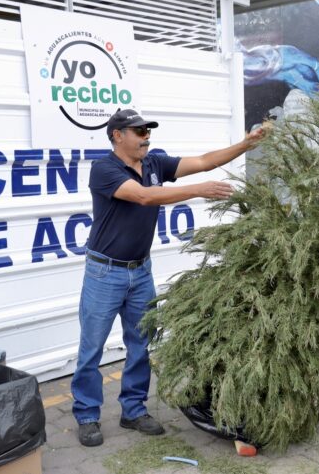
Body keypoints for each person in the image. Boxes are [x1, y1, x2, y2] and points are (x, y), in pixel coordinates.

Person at [72, 109, 267, 447]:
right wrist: (198, 191)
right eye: (138, 131)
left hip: (140, 272)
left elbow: (205, 161)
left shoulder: (154, 164)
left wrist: (246, 145)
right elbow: (144, 196)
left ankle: (133, 410)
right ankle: (87, 415)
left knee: (142, 345)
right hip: (105, 272)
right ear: (118, 135)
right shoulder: (104, 169)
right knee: (92, 348)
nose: (146, 136)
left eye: (147, 130)